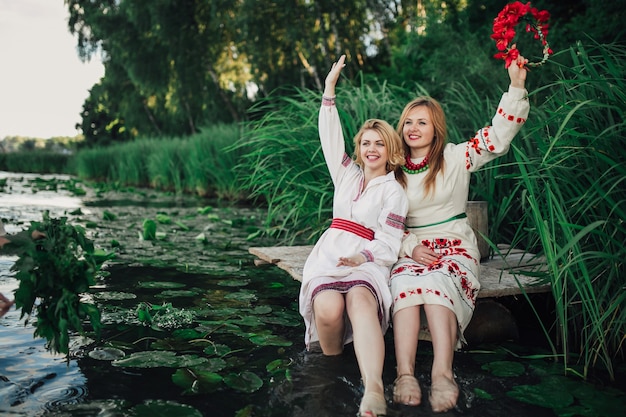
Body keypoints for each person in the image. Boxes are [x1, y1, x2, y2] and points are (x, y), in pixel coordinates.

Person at [389, 54, 530, 412]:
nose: (413, 128)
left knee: (438, 284)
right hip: (411, 247)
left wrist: (516, 86)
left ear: (436, 128)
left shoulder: (456, 157)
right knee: (404, 286)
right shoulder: (393, 171)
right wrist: (409, 247)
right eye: (408, 122)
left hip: (453, 247)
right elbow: (382, 222)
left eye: (422, 122)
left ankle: (442, 374)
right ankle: (404, 373)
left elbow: (498, 137)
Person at [298, 55, 409, 417]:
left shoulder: (393, 192)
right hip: (331, 256)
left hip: (367, 261)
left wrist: (364, 258)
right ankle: (332, 370)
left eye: (379, 144)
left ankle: (374, 390)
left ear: (390, 151)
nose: (371, 149)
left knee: (361, 304)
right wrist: (329, 89)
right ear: (359, 149)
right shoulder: (346, 175)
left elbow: (390, 243)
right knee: (328, 311)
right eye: (365, 143)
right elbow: (330, 137)